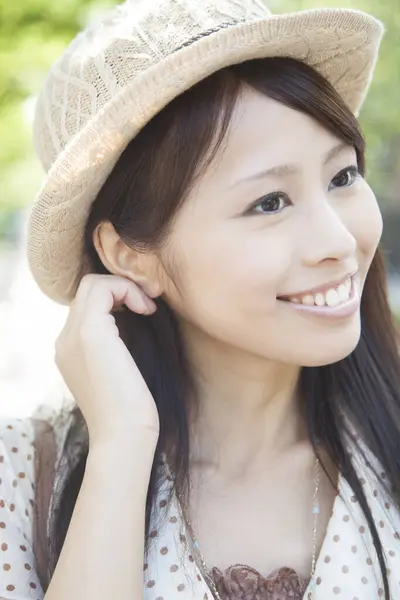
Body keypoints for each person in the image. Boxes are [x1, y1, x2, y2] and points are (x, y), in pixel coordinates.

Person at [1, 0, 399, 598]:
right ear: (131, 256)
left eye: (342, 177)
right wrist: (122, 444)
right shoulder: (24, 481)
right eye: (270, 203)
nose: (339, 242)